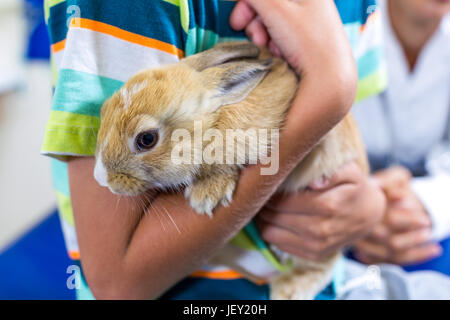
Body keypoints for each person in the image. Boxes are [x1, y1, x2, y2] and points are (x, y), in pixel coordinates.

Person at [42, 0, 386, 300]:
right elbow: (117, 284)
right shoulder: (127, 7)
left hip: (329, 281)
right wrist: (330, 87)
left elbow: (352, 139)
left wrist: (369, 206)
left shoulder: (355, 5)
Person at [352, 0, 450, 270]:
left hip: (416, 219)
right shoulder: (346, 24)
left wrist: (426, 205)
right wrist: (359, 208)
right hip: (340, 213)